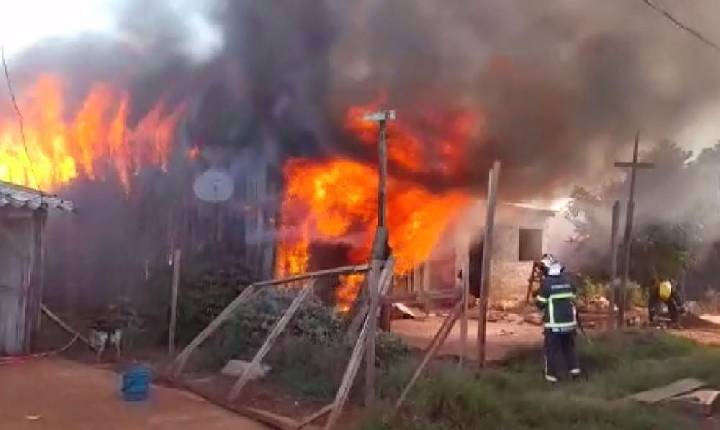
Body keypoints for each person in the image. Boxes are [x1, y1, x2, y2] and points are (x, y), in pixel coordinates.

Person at [535, 259, 581, 383]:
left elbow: (540, 304)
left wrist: (538, 295)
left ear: (547, 269)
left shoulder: (547, 284)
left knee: (551, 351)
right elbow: (574, 299)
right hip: (570, 324)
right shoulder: (569, 281)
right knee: (569, 348)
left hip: (554, 325)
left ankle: (551, 378)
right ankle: (575, 373)